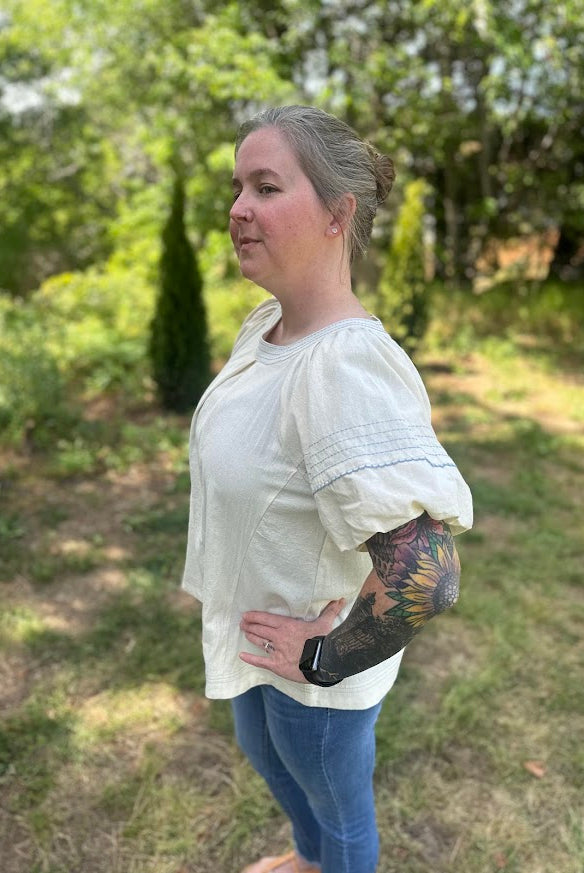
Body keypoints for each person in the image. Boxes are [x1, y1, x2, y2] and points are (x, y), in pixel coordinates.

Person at [182, 105, 473, 873]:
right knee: (270, 759)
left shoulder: (344, 369)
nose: (239, 208)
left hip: (313, 678)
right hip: (256, 629)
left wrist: (327, 655)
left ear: (338, 213)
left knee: (340, 811)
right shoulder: (267, 327)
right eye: (238, 186)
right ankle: (309, 860)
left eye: (267, 186)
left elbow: (425, 575)